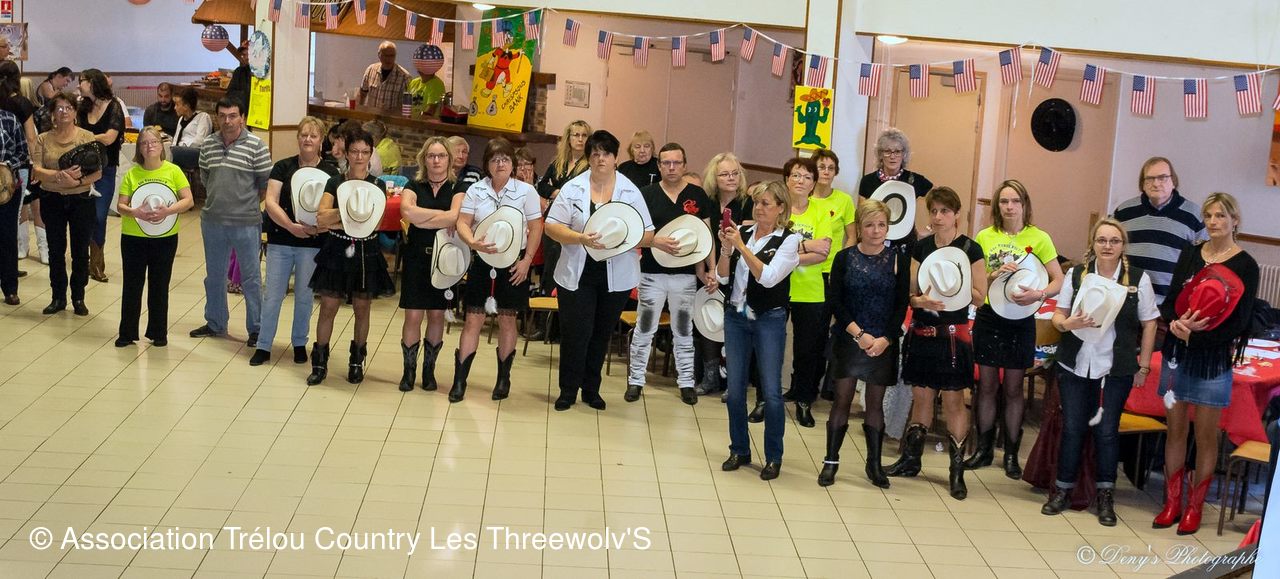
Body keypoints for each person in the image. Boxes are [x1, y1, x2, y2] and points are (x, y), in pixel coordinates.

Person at [1153, 192, 1258, 535]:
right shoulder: (1190, 253)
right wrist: (1176, 324)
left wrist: (1195, 338)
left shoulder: (1246, 265)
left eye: (1221, 216)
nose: (1214, 222)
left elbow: (1239, 323)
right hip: (1177, 355)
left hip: (1212, 360)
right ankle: (1172, 503)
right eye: (1209, 215)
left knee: (1206, 436)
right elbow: (1171, 301)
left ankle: (1194, 508)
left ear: (1234, 221)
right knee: (1175, 431)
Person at [1041, 218, 1158, 526]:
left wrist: (1144, 366)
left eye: (1114, 241)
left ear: (1123, 246)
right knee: (1073, 428)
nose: (1107, 246)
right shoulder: (1077, 274)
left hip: (1115, 367)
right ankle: (1062, 490)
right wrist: (1066, 324)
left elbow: (1149, 323)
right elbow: (1058, 315)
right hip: (1075, 363)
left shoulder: (1138, 279)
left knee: (1106, 431)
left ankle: (1105, 495)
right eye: (1102, 240)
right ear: (1092, 244)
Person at [886, 187, 987, 500]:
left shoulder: (971, 248)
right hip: (923, 330)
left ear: (956, 214)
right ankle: (911, 460)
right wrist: (919, 300)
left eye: (945, 211)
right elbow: (911, 291)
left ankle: (956, 470)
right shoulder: (922, 246)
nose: (939, 217)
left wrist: (950, 289)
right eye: (934, 211)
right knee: (921, 397)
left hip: (953, 334)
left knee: (955, 401)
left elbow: (980, 297)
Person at [545, 130, 654, 411]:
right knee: (575, 333)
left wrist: (621, 239)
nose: (600, 159)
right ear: (588, 158)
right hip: (577, 272)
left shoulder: (630, 191)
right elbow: (552, 226)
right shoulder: (573, 188)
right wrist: (579, 238)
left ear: (616, 158)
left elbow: (648, 234)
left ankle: (591, 389)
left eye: (606, 153)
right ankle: (567, 390)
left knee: (600, 334)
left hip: (615, 276)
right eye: (595, 153)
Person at [965, 179, 1065, 478]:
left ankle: (1010, 453)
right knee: (986, 386)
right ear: (997, 206)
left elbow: (1059, 279)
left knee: (1013, 388)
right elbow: (976, 279)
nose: (1009, 207)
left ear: (1024, 205)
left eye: (1015, 201)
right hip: (989, 316)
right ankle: (983, 449)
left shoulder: (1040, 237)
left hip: (1021, 319)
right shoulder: (985, 236)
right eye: (1004, 201)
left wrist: (1040, 294)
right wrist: (993, 274)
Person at [820, 199, 911, 488]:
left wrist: (886, 339)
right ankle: (830, 461)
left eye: (881, 225)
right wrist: (859, 335)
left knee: (875, 404)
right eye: (869, 225)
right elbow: (835, 302)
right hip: (850, 337)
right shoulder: (844, 258)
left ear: (888, 227)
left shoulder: (898, 259)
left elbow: (901, 305)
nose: (876, 230)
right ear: (859, 227)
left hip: (883, 340)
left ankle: (874, 464)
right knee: (843, 399)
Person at [718, 181, 802, 481]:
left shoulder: (789, 241)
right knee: (735, 390)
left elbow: (767, 278)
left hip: (769, 317)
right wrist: (727, 250)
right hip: (737, 315)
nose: (759, 208)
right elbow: (722, 277)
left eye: (766, 203)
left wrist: (741, 247)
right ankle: (739, 449)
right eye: (756, 202)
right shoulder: (743, 232)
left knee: (771, 392)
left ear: (781, 208)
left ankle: (773, 456)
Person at [453, 137, 543, 402]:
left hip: (514, 263)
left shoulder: (526, 191)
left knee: (507, 320)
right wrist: (471, 242)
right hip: (482, 260)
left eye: (505, 159)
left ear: (512, 163)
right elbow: (463, 222)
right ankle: (460, 380)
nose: (500, 164)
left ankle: (503, 378)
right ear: (487, 164)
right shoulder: (476, 190)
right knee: (473, 319)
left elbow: (536, 227)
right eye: (494, 159)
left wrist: (527, 261)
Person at [627, 143, 717, 405]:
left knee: (683, 330)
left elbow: (707, 236)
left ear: (685, 165)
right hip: (651, 273)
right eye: (666, 162)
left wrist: (710, 268)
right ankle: (635, 380)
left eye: (676, 162)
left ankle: (686, 382)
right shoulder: (646, 194)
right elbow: (634, 234)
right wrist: (655, 241)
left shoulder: (697, 195)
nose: (671, 167)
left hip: (685, 275)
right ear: (659, 166)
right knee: (645, 328)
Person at [306, 128, 395, 385]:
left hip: (366, 251)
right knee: (328, 307)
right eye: (354, 151)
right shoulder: (335, 182)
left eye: (364, 152)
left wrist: (340, 217)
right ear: (346, 153)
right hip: (336, 248)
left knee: (362, 308)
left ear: (371, 154)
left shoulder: (378, 185)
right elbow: (321, 218)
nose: (359, 157)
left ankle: (357, 361)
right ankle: (319, 362)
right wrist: (353, 213)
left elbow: (374, 224)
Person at [250, 116, 339, 366]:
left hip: (313, 243)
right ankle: (264, 345)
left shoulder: (331, 173)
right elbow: (270, 202)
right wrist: (291, 226)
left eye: (313, 135)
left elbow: (334, 209)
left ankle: (299, 342)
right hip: (281, 239)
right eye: (304, 135)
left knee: (304, 296)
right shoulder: (283, 166)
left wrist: (316, 228)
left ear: (321, 140)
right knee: (273, 295)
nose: (308, 139)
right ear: (298, 138)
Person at [188, 97, 272, 346]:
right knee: (214, 276)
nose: (227, 121)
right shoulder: (208, 145)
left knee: (251, 278)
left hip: (246, 222)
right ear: (217, 118)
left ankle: (256, 329)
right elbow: (206, 178)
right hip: (213, 221)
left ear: (242, 118)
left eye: (233, 115)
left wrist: (244, 204)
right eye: (222, 116)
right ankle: (215, 322)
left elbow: (264, 185)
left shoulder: (257, 146)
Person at [114, 127, 194, 347]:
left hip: (165, 237)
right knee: (132, 284)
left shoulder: (173, 171)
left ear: (161, 146)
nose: (149, 146)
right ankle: (127, 333)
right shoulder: (132, 174)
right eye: (144, 143)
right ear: (139, 148)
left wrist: (168, 211)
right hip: (133, 237)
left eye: (154, 142)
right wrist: (136, 212)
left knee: (159, 284)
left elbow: (188, 200)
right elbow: (121, 205)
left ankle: (158, 332)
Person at [1113, 157, 1206, 344]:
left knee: (1155, 360)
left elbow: (1204, 263)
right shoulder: (1123, 212)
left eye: (1163, 177)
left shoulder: (1193, 215)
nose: (1156, 183)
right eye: (1150, 178)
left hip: (1166, 310)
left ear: (1173, 181)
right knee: (1121, 358)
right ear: (1142, 183)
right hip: (1126, 305)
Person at [398, 137, 462, 392]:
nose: (436, 160)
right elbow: (407, 212)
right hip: (416, 257)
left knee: (436, 315)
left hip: (445, 260)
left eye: (441, 156)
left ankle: (428, 372)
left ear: (449, 159)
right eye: (431, 156)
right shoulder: (413, 185)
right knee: (413, 315)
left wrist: (422, 218)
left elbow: (456, 216)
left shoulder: (458, 188)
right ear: (424, 159)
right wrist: (443, 218)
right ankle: (409, 371)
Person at [695, 152, 754, 398]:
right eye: (725, 174)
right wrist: (703, 270)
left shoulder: (748, 203)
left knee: (734, 326)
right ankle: (710, 377)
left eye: (735, 173)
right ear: (714, 178)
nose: (731, 178)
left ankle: (734, 380)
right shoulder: (707, 201)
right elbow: (701, 238)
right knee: (708, 319)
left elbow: (748, 242)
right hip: (708, 270)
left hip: (739, 272)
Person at [31, 93, 95, 314]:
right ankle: (58, 297)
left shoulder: (87, 137)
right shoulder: (43, 138)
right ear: (52, 114)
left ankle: (78, 297)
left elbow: (97, 172)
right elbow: (37, 170)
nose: (64, 112)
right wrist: (59, 176)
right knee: (56, 250)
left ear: (75, 112)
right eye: (59, 108)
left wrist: (77, 181)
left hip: (81, 199)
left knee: (80, 250)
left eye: (68, 107)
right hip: (52, 199)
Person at [781, 156, 833, 427]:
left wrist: (787, 252)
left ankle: (803, 400)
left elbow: (822, 252)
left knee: (807, 350)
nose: (801, 181)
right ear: (786, 179)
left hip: (810, 291)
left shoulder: (822, 212)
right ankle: (766, 399)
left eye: (807, 177)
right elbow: (769, 248)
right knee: (773, 345)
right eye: (796, 175)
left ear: (813, 183)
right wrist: (805, 246)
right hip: (777, 287)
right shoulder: (778, 209)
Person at [76, 68, 125, 284]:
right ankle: (84, 260)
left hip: (105, 169)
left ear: (93, 82)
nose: (79, 85)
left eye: (82, 81)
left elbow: (110, 138)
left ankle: (97, 263)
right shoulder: (82, 106)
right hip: (82, 169)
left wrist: (86, 137)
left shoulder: (114, 106)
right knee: (83, 215)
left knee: (99, 214)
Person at [537, 121, 591, 293]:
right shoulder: (558, 162)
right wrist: (557, 193)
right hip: (554, 217)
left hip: (575, 220)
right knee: (550, 261)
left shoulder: (590, 165)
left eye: (584, 135)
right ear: (568, 138)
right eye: (576, 135)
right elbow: (542, 186)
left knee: (567, 262)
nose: (580, 139)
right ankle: (547, 302)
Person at [360, 41, 411, 110]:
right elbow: (363, 93)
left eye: (392, 56)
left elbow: (408, 104)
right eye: (386, 55)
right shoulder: (370, 70)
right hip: (371, 115)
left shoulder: (405, 77)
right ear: (379, 55)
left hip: (392, 116)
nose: (388, 59)